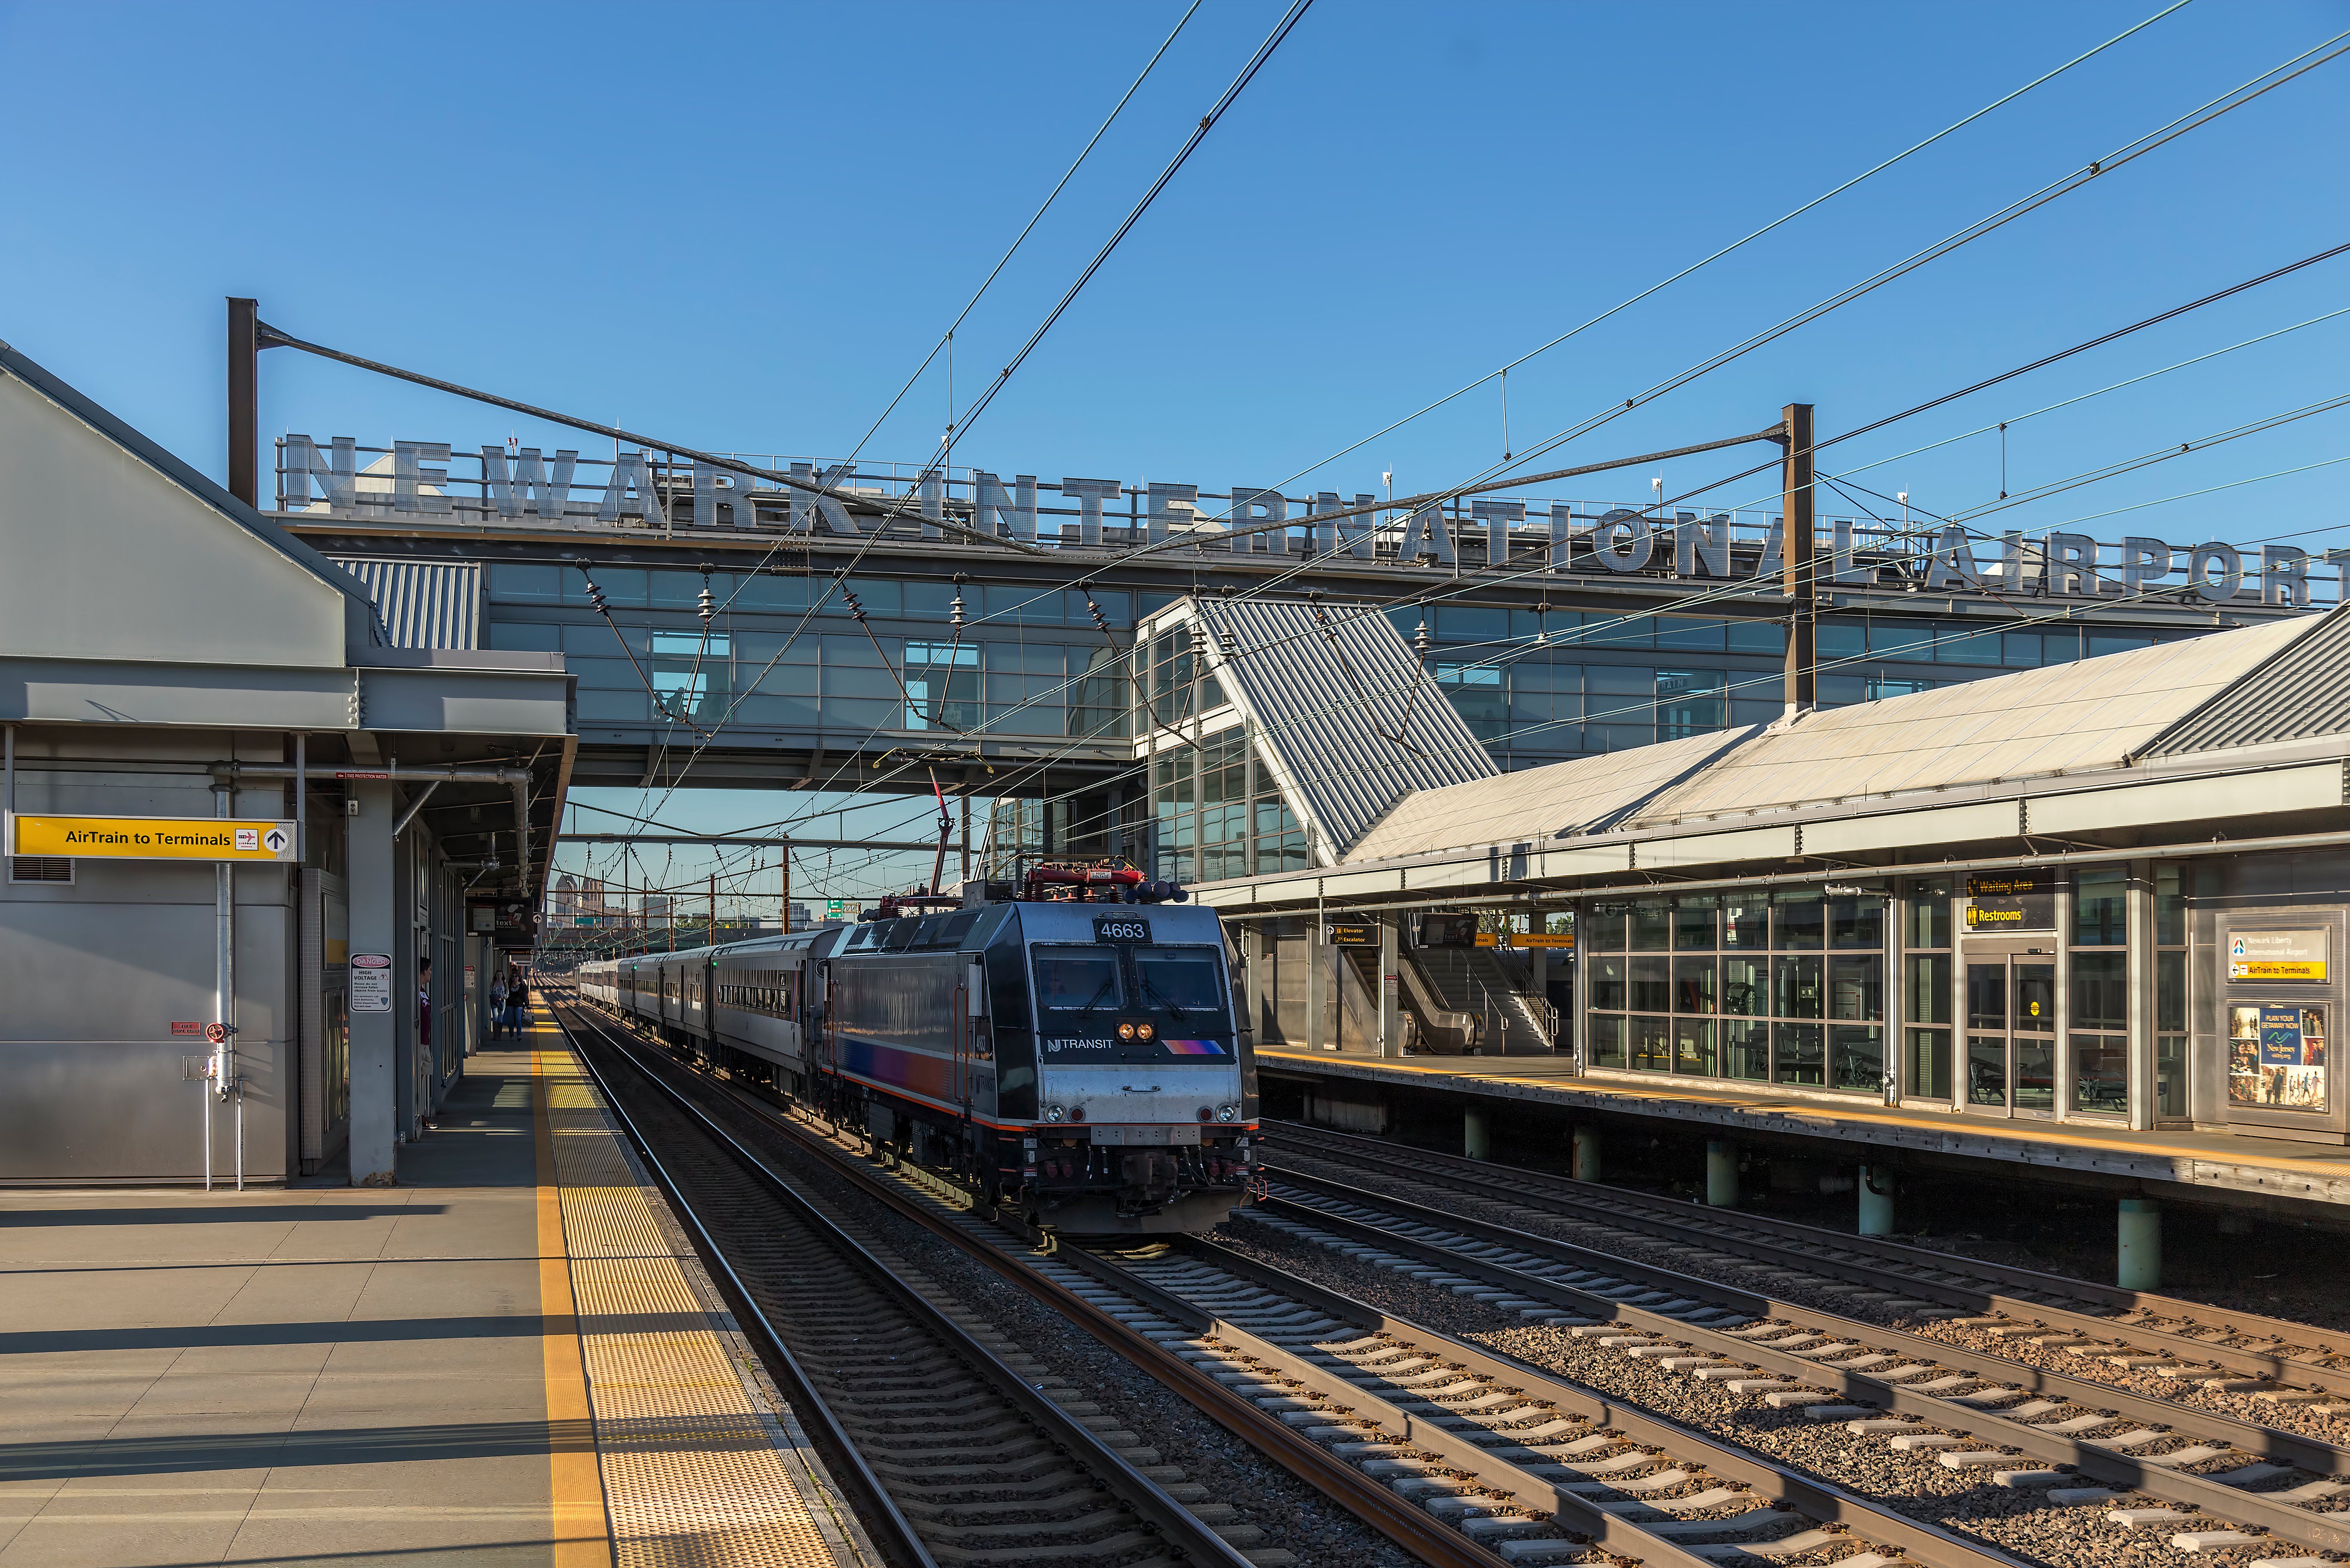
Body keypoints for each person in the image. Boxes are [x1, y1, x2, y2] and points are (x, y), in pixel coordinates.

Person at [488, 976, 509, 1040]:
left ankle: (499, 1036)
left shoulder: (505, 984)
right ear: (496, 976)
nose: (499, 976)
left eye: (500, 975)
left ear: (502, 976)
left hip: (502, 1002)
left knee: (500, 1018)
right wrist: (494, 997)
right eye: (498, 975)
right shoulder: (493, 983)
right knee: (495, 1017)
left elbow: (508, 994)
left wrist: (502, 998)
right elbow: (490, 992)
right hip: (494, 1002)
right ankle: (496, 1036)